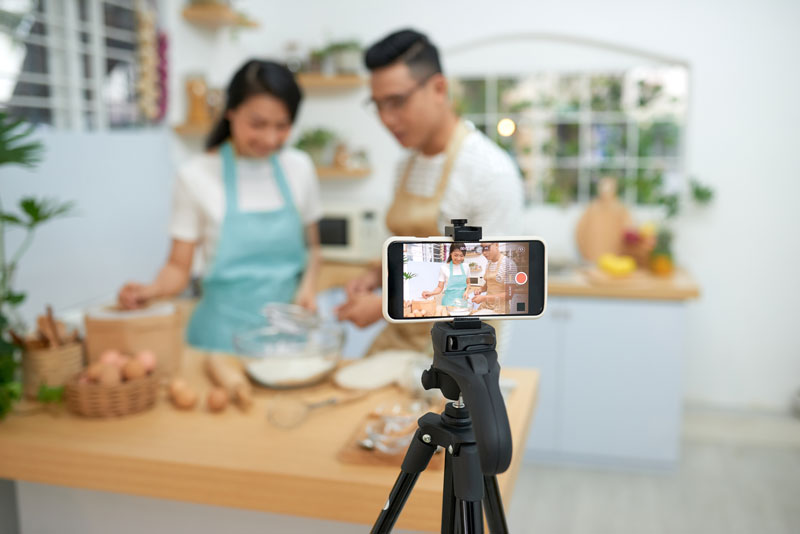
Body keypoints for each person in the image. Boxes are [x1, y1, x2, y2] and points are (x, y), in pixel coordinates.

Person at [336, 29, 523, 354]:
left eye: (396, 101)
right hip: (402, 342)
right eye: (378, 105)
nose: (386, 118)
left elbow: (494, 284)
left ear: (439, 88)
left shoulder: (489, 170)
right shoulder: (407, 164)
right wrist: (375, 276)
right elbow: (413, 254)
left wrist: (385, 305)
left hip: (465, 350)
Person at [118, 59, 321, 352]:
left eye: (282, 126)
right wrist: (153, 290)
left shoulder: (299, 168)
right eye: (257, 124)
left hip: (289, 337)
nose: (269, 138)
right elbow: (178, 266)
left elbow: (313, 249)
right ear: (230, 112)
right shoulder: (196, 175)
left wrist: (308, 286)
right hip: (221, 341)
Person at [472, 243, 518, 314]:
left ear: (496, 245)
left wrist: (484, 298)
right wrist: (480, 289)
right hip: (486, 305)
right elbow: (488, 285)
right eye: (482, 249)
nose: (484, 253)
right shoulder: (488, 264)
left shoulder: (509, 264)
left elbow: (509, 295)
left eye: (487, 248)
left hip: (500, 309)